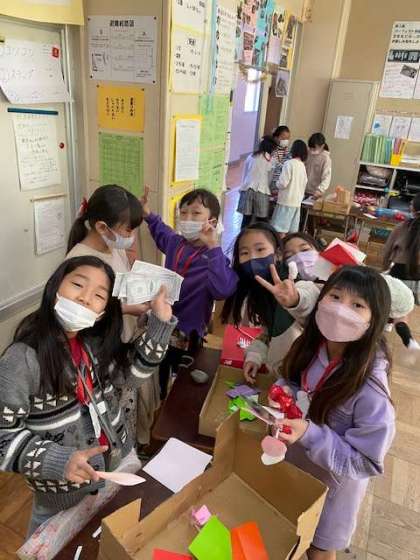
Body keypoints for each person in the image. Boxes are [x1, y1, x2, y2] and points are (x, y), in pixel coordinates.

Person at [0, 256, 177, 536]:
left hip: (114, 470)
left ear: (103, 311)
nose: (84, 298)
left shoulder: (93, 343)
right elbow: (3, 436)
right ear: (54, 288)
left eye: (99, 295)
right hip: (60, 495)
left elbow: (131, 375)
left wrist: (160, 323)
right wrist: (58, 460)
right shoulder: (22, 359)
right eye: (78, 285)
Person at [258, 265, 395, 559]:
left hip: (334, 489)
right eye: (335, 297)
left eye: (357, 305)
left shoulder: (371, 387)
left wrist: (310, 434)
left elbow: (367, 461)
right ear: (321, 300)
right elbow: (293, 379)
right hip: (297, 468)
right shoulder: (312, 344)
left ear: (374, 321)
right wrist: (282, 392)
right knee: (292, 530)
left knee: (318, 548)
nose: (341, 310)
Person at [66, 185, 157, 449]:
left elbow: (120, 288)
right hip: (100, 354)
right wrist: (128, 309)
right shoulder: (81, 261)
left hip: (122, 342)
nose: (131, 236)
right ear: (102, 227)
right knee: (111, 421)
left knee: (128, 411)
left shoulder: (111, 247)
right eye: (128, 230)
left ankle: (129, 452)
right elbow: (80, 318)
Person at [142, 187, 238, 399]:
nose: (187, 219)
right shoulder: (176, 242)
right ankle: (161, 399)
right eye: (183, 213)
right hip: (163, 323)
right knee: (160, 372)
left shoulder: (215, 258)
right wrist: (148, 214)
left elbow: (223, 290)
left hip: (190, 332)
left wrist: (213, 247)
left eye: (196, 213)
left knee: (184, 379)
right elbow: (161, 231)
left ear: (212, 222)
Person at [221, 223, 303, 378]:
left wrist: (295, 301)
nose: (252, 257)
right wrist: (255, 357)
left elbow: (306, 302)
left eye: (260, 249)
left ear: (278, 254)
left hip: (302, 378)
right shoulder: (260, 289)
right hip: (282, 377)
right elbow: (268, 333)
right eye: (245, 252)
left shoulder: (293, 285)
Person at [383, 193, 420, 304]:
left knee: (392, 304)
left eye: (411, 203)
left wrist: (385, 269)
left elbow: (387, 252)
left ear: (414, 208)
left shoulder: (402, 227)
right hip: (417, 281)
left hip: (399, 275)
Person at [237, 136, 278, 229]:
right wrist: (272, 192)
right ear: (271, 148)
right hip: (261, 192)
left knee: (246, 220)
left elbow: (245, 174)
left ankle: (243, 236)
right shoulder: (271, 160)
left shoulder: (251, 156)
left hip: (247, 190)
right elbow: (270, 179)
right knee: (262, 221)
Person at [271, 139, 308, 236]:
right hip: (296, 203)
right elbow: (304, 183)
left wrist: (276, 185)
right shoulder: (302, 166)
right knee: (291, 232)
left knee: (280, 230)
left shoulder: (289, 163)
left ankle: (280, 246)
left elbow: (283, 183)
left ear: (293, 150)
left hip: (286, 202)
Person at [305, 133, 332, 198]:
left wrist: (320, 190)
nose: (311, 151)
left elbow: (326, 177)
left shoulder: (325, 158)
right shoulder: (307, 153)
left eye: (314, 149)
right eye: (310, 148)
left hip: (315, 192)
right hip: (303, 189)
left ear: (322, 146)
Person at [270, 125, 291, 196]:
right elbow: (273, 164)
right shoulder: (271, 149)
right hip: (272, 183)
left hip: (282, 184)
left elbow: (290, 165)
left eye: (287, 138)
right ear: (276, 137)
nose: (286, 141)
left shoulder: (288, 151)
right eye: (283, 138)